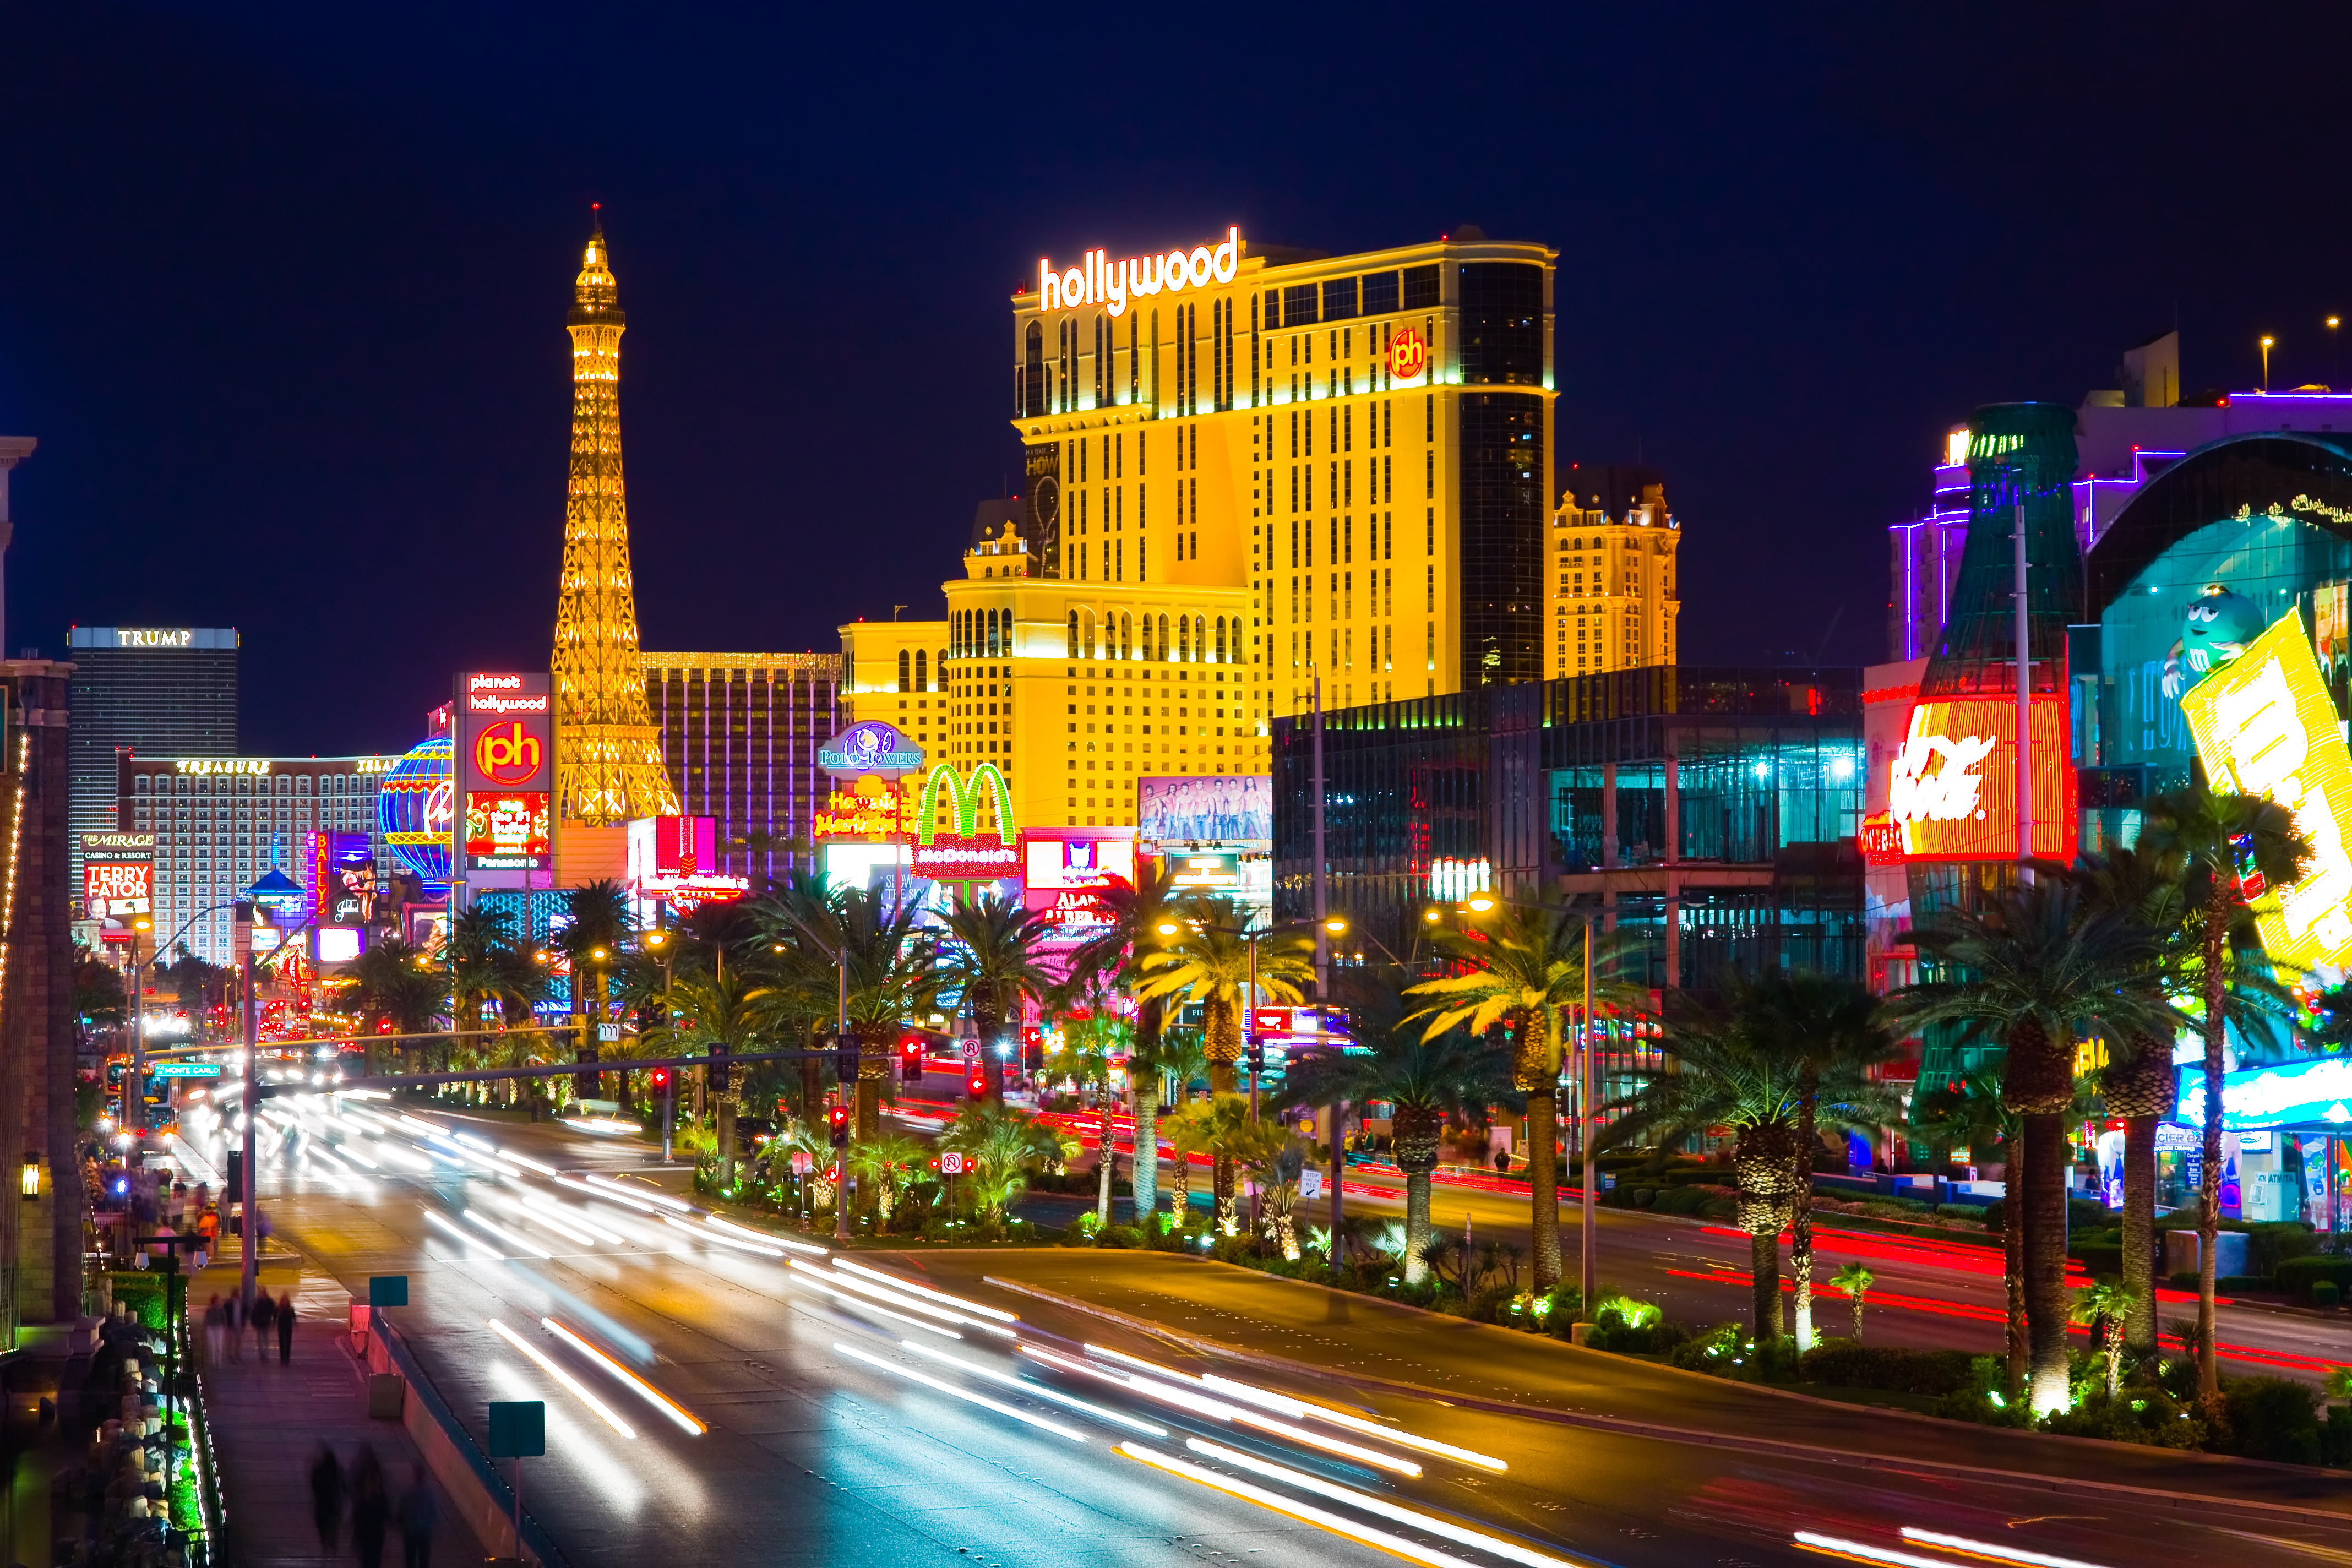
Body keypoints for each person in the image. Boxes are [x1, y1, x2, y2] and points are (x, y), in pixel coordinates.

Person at [350, 1446, 389, 1568]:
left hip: (366, 1537)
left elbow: (357, 1520)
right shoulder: (381, 1500)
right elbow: (387, 1515)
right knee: (375, 1561)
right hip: (377, 1536)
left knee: (367, 1561)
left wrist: (355, 1537)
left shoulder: (363, 1502)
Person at [396, 1464, 437, 1568]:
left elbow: (401, 1511)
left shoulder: (408, 1492)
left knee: (410, 1560)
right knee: (424, 1560)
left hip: (410, 1531)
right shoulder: (429, 1493)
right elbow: (434, 1513)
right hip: (425, 1532)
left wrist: (401, 1524)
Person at [310, 1443, 345, 1553]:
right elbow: (343, 1485)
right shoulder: (337, 1469)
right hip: (334, 1504)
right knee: (333, 1526)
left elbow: (314, 1485)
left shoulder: (319, 1470)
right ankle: (332, 1543)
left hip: (322, 1504)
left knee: (322, 1525)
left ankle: (325, 1543)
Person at [252, 1288, 277, 1360]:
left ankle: (265, 1353)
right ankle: (262, 1353)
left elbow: (274, 1311)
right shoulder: (260, 1302)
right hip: (260, 1323)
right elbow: (254, 1313)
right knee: (261, 1339)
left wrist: (273, 1321)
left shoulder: (268, 1302)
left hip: (265, 1323)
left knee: (265, 1338)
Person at [203, 1295, 224, 1368]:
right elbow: (206, 1319)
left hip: (219, 1328)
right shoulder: (209, 1309)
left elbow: (224, 1318)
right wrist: (205, 1327)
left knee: (219, 1346)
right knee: (212, 1346)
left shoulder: (221, 1309)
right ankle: (213, 1362)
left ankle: (219, 1361)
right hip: (211, 1328)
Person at [277, 1291, 296, 1364]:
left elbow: (294, 1317)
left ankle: (287, 1358)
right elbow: (275, 1316)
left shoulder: (290, 1309)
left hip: (288, 1327)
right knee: (282, 1343)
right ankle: (283, 1358)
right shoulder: (279, 1308)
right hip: (282, 1327)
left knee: (288, 1343)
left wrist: (295, 1323)